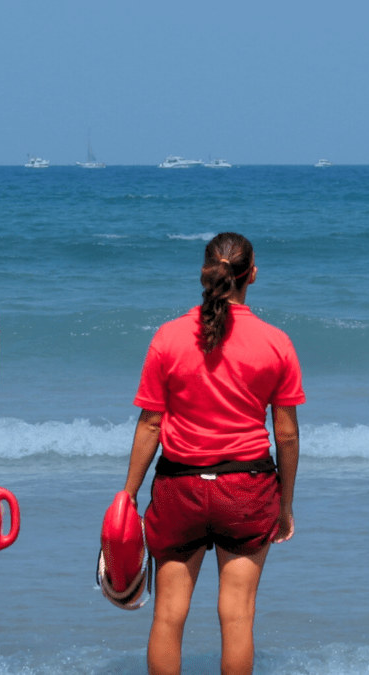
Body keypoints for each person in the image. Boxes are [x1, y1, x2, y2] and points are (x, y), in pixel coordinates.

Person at [120, 232, 304, 675]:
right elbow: (287, 435)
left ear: (204, 274)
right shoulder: (276, 342)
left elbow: (150, 425)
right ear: (251, 275)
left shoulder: (167, 337)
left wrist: (127, 494)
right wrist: (285, 504)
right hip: (246, 488)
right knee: (237, 614)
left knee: (168, 614)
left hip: (178, 488)